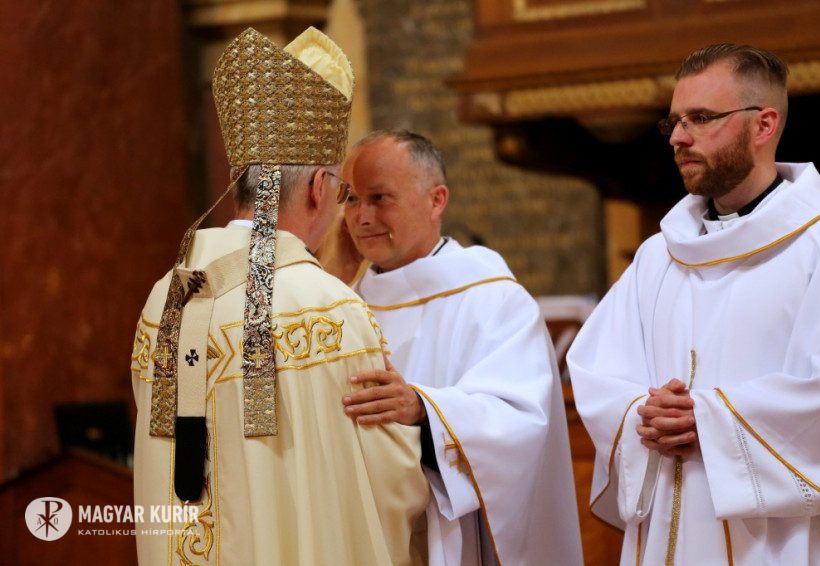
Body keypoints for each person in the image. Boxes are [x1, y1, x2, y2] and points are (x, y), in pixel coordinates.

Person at [130, 28, 428, 566]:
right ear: (318, 188)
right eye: (340, 191)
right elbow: (385, 485)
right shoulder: (332, 310)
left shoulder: (163, 301)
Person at [567, 43, 820, 565]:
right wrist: (642, 413)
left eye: (700, 118)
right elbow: (597, 371)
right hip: (669, 526)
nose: (678, 137)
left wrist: (712, 421)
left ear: (763, 125)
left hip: (781, 540)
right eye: (674, 122)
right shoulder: (658, 255)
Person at [339, 129, 584, 565]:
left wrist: (424, 410)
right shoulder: (342, 305)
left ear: (436, 201)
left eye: (379, 198)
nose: (362, 216)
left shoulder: (492, 299)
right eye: (352, 199)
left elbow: (521, 420)